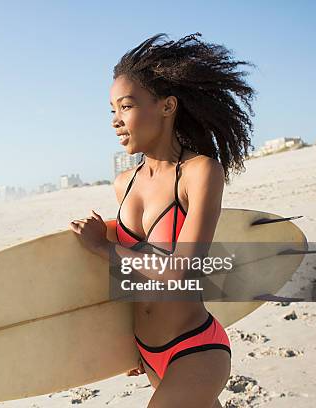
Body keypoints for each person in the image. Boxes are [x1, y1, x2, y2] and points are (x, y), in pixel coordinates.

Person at [69, 32, 256, 408]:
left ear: (167, 106)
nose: (116, 121)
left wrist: (103, 246)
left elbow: (182, 271)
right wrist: (122, 346)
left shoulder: (200, 172)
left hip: (195, 348)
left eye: (126, 106)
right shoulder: (124, 184)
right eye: (112, 110)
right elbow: (130, 281)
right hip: (147, 353)